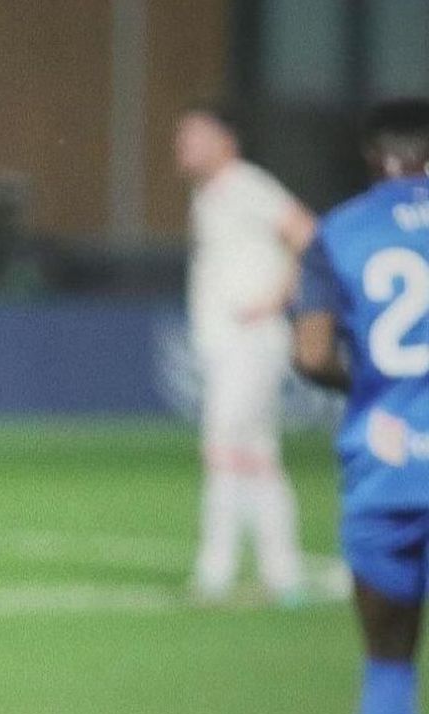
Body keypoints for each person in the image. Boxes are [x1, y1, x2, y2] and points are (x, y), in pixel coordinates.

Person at [291, 97, 429, 714]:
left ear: (376, 159)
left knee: (387, 669)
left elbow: (311, 355)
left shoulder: (338, 232)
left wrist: (373, 385)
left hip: (384, 476)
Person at [175, 103, 316, 604]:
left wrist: (276, 299)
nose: (183, 146)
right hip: (227, 344)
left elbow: (306, 233)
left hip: (250, 342)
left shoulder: (245, 185)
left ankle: (216, 568)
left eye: (194, 136)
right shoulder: (207, 196)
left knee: (223, 448)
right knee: (257, 456)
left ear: (224, 140)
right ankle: (285, 572)